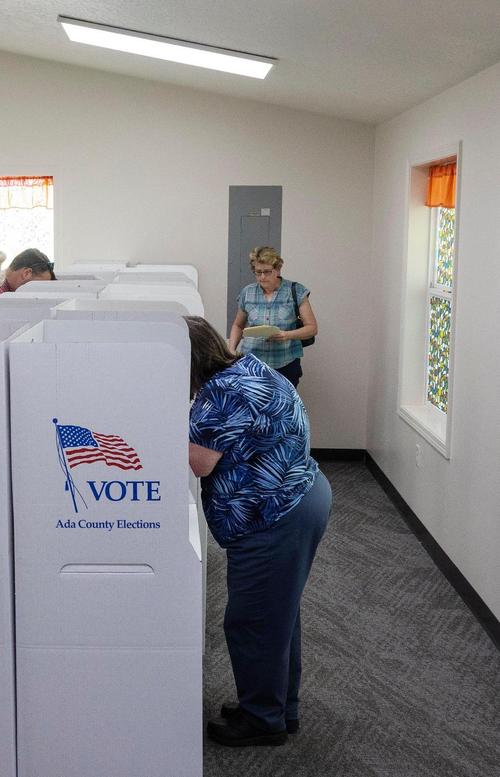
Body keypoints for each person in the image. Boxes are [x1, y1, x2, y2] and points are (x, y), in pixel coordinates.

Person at [185, 315, 331, 747]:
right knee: (277, 614)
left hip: (275, 516)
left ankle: (262, 719)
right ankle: (278, 706)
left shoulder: (220, 395)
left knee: (252, 621)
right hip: (300, 497)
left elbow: (199, 462)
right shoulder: (244, 367)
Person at [228, 246, 318, 388]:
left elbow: (312, 328)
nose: (262, 277)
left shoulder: (295, 291)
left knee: (282, 408)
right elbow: (238, 325)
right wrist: (232, 350)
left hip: (285, 364)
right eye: (258, 272)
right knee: (252, 408)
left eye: (267, 272)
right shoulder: (248, 292)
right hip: (252, 364)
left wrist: (287, 335)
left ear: (278, 269)